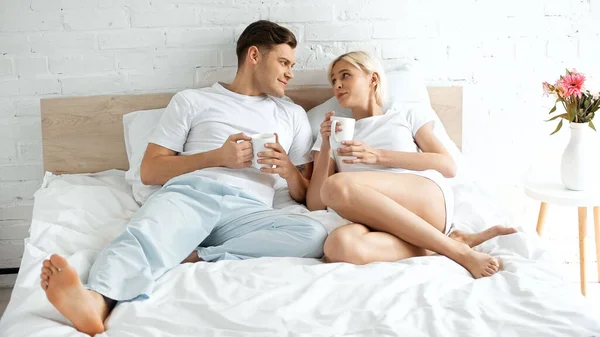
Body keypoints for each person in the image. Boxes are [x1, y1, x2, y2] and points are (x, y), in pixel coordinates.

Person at [39, 20, 327, 336]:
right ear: (254, 55)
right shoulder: (193, 100)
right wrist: (218, 157)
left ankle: (193, 254)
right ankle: (96, 300)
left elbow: (306, 194)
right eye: (284, 62)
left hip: (250, 211)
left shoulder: (292, 115)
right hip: (193, 194)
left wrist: (287, 168)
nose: (290, 73)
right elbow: (150, 171)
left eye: (292, 65)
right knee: (143, 235)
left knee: (312, 233)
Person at [306, 51, 516, 277]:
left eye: (345, 75)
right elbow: (316, 203)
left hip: (423, 200)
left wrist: (377, 156)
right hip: (375, 218)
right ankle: (447, 243)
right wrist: (326, 144)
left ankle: (458, 253)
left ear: (372, 79)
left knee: (337, 185)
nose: (337, 85)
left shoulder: (404, 114)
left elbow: (447, 165)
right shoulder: (330, 133)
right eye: (334, 81)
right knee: (338, 245)